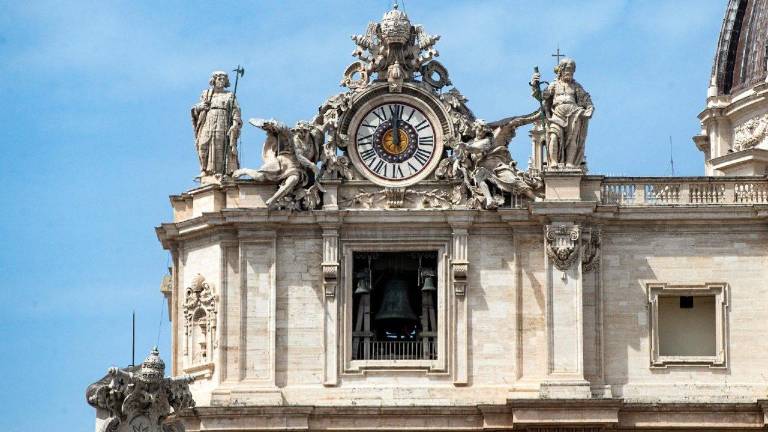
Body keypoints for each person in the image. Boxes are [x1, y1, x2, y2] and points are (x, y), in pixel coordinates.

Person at [531, 58, 594, 169]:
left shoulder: (576, 86)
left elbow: (587, 100)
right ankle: (554, 162)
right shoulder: (554, 85)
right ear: (561, 70)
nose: (569, 72)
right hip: (557, 114)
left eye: (572, 70)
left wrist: (589, 109)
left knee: (572, 139)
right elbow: (541, 96)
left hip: (574, 114)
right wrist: (535, 85)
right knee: (553, 136)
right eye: (567, 69)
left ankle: (570, 163)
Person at [191, 71, 242, 178]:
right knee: (203, 144)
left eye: (224, 79)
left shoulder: (229, 95)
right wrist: (200, 107)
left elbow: (236, 110)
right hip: (208, 119)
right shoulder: (207, 94)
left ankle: (218, 172)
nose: (222, 81)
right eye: (219, 79)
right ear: (214, 80)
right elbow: (195, 109)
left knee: (220, 145)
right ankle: (204, 169)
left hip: (222, 120)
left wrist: (235, 124)